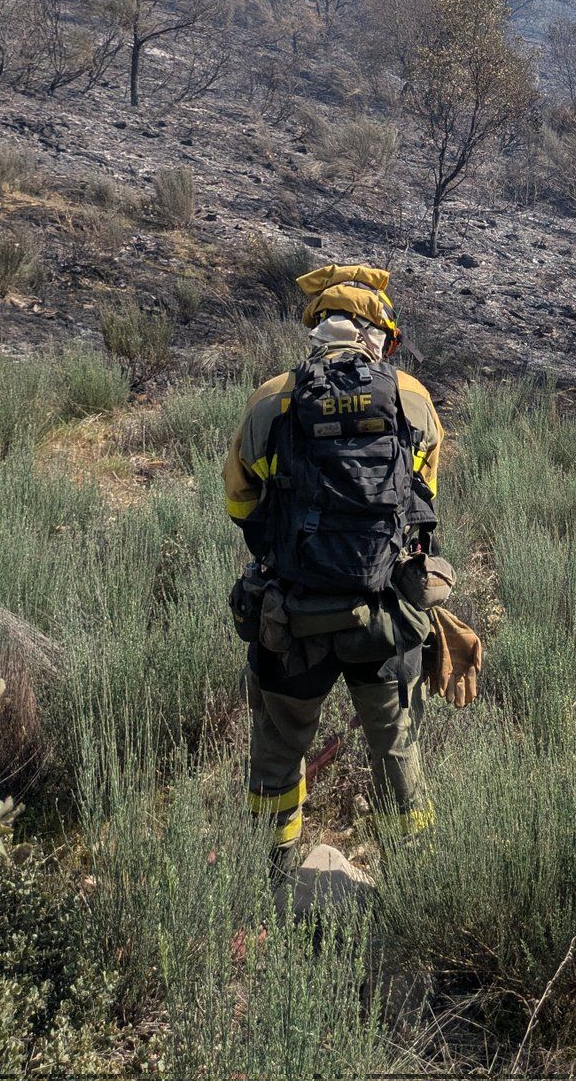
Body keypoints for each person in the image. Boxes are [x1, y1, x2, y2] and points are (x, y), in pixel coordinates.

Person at [222, 262, 479, 863]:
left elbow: (239, 498)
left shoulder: (272, 399)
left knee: (280, 746)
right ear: (380, 335)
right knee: (396, 748)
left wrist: (289, 544)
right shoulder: (411, 399)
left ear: (316, 329)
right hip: (386, 620)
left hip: (293, 619)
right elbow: (424, 502)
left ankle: (273, 871)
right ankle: (413, 878)